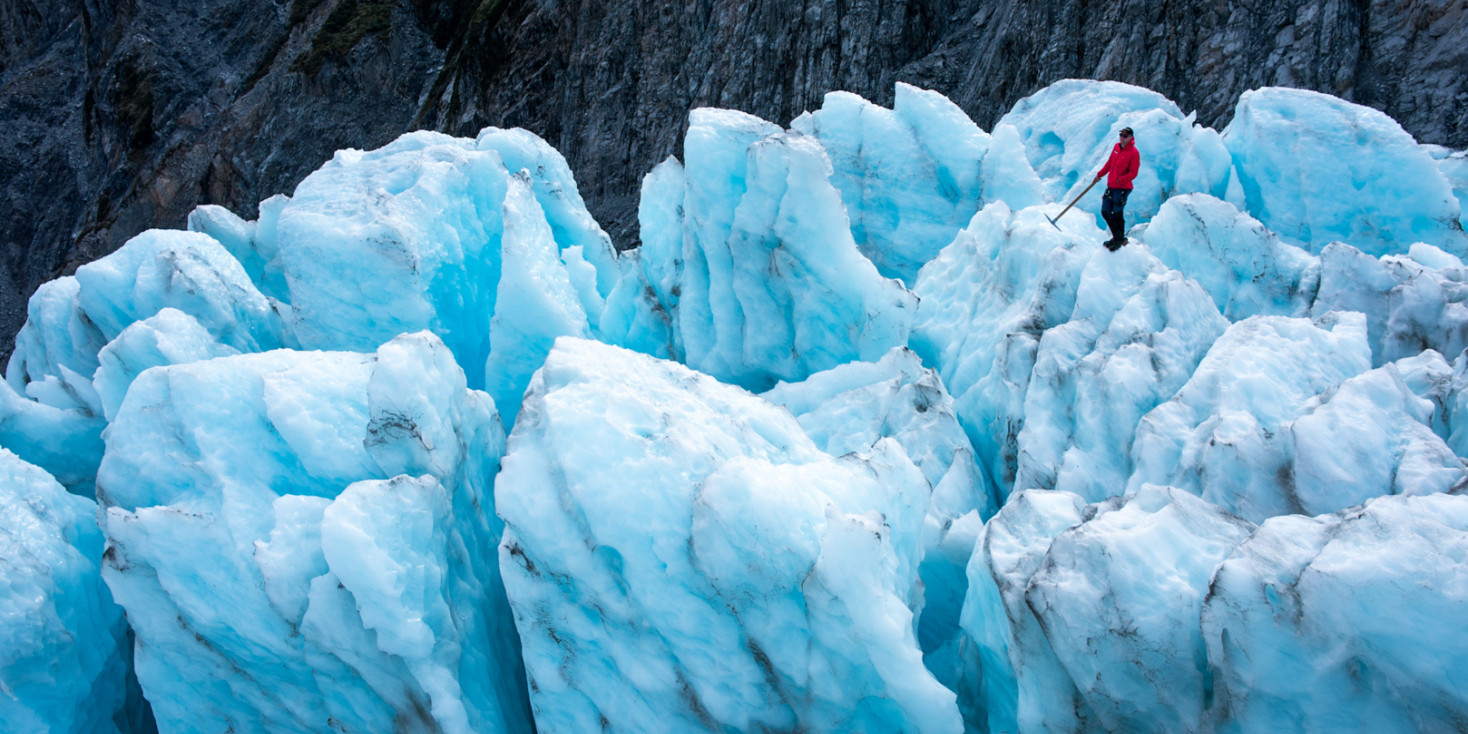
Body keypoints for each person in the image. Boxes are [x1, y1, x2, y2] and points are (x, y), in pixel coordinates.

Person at [1094, 127, 1140, 251]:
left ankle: (1118, 239)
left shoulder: (1133, 153)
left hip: (1122, 188)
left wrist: (1120, 180)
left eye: (1125, 136)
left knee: (1117, 213)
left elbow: (1133, 173)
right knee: (1105, 211)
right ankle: (1119, 238)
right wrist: (1099, 174)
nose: (1122, 137)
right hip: (1111, 186)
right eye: (1121, 134)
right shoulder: (1116, 147)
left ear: (1131, 137)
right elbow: (1109, 163)